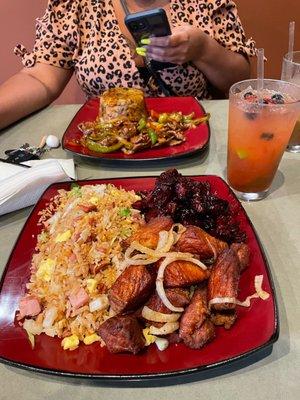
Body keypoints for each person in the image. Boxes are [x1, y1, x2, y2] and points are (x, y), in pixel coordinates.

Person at [0, 0, 256, 130]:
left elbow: (239, 83)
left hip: (193, 142)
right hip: (107, 149)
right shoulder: (78, 4)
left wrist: (203, 49)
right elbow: (41, 77)